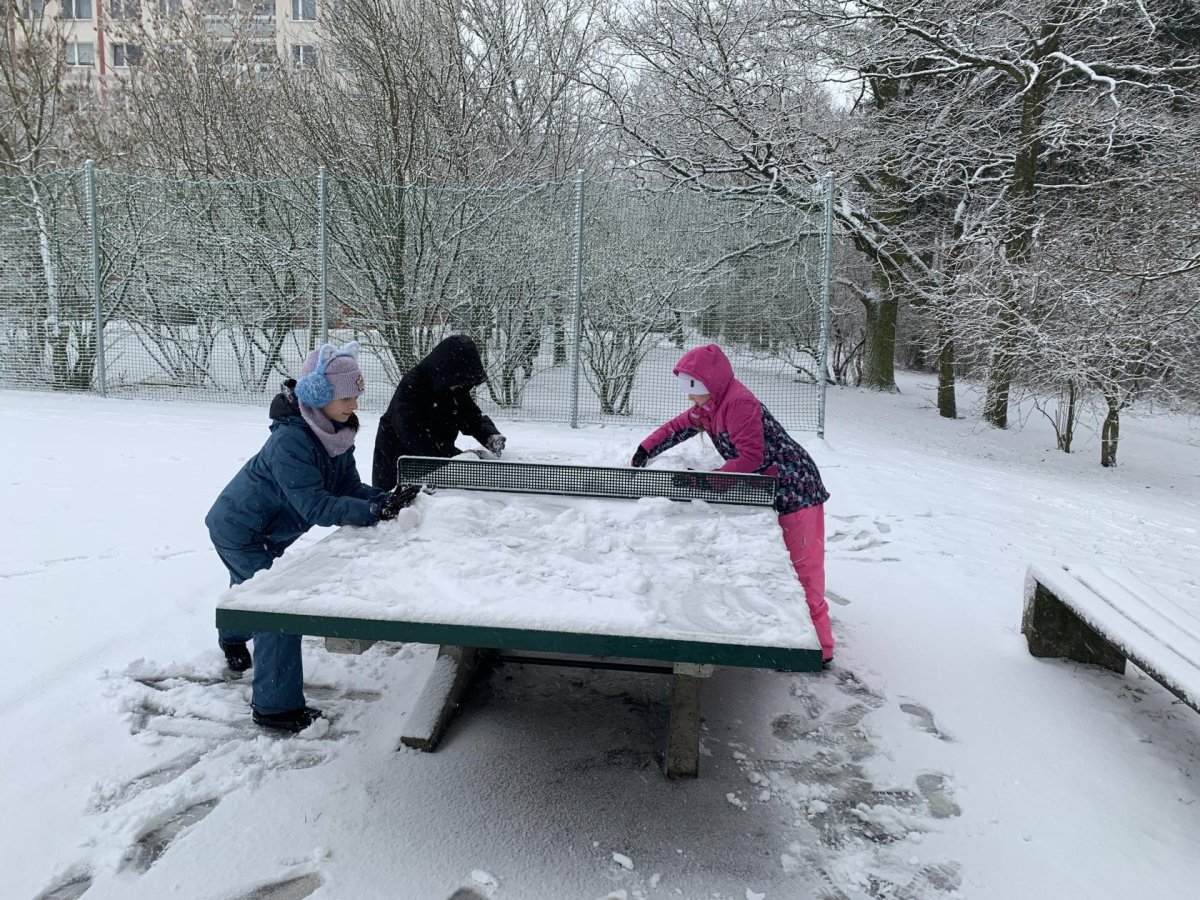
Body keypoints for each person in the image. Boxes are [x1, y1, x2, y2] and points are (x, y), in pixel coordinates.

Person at [206, 342, 420, 732]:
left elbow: (348, 488)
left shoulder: (334, 434)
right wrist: (374, 512)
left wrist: (386, 499)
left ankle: (232, 636)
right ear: (318, 396)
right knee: (274, 610)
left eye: (356, 396)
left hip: (271, 531)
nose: (354, 405)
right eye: (346, 397)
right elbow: (315, 505)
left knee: (249, 591)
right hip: (241, 529)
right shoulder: (290, 441)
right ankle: (275, 709)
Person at [630, 344, 835, 666]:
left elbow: (750, 456)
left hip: (796, 491)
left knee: (804, 570)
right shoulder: (710, 406)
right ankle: (792, 635)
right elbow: (679, 427)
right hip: (768, 490)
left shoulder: (739, 403)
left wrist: (707, 482)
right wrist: (646, 449)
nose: (689, 397)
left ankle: (821, 649)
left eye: (693, 388)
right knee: (782, 570)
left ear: (711, 383)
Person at [372, 334, 507, 491]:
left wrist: (489, 435)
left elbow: (471, 417)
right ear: (446, 371)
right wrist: (454, 456)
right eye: (459, 381)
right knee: (395, 503)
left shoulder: (454, 388)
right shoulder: (413, 385)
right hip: (398, 463)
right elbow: (411, 432)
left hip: (435, 464)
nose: (461, 386)